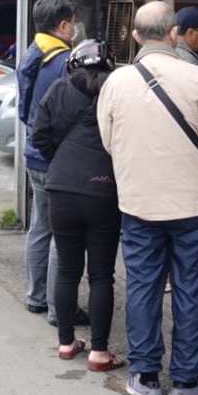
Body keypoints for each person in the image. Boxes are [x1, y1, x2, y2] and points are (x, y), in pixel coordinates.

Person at [98, 1, 198, 395]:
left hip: (139, 204)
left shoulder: (116, 82)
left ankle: (146, 378)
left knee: (143, 287)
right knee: (191, 289)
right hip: (194, 205)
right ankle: (188, 383)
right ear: (174, 33)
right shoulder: (197, 78)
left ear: (136, 37)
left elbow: (107, 140)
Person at [32, 39, 125, 371]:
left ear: (75, 63)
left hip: (61, 188)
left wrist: (61, 161)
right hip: (105, 191)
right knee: (101, 275)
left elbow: (38, 136)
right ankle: (100, 353)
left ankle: (67, 344)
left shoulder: (58, 89)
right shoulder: (118, 91)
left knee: (68, 271)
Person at [17, 0, 89, 327]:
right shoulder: (64, 61)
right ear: (63, 24)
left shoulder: (33, 52)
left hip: (34, 154)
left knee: (40, 226)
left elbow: (24, 110)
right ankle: (61, 311)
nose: (76, 27)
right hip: (56, 158)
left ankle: (36, 297)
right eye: (73, 22)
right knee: (64, 235)